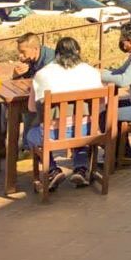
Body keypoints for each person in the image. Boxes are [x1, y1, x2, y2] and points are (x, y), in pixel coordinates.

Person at [27, 36, 103, 191]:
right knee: (79, 132)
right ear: (78, 52)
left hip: (53, 134)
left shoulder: (43, 74)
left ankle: (53, 170)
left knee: (30, 136)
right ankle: (80, 168)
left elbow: (32, 108)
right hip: (86, 131)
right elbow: (102, 103)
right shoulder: (91, 72)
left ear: (57, 53)